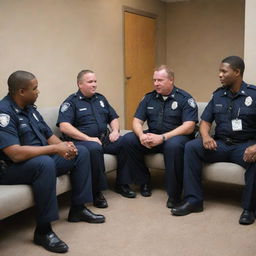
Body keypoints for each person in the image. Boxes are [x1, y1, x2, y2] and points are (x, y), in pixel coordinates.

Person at [0, 71, 105, 253]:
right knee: (44, 164)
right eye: (35, 88)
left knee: (82, 151)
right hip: (12, 168)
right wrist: (56, 149)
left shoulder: (30, 108)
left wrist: (65, 147)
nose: (38, 91)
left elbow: (49, 136)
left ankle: (78, 209)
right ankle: (43, 230)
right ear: (21, 91)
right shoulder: (4, 113)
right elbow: (14, 154)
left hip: (40, 159)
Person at [171, 56, 256, 225]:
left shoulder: (254, 95)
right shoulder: (218, 95)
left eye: (224, 71)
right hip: (221, 144)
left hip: (245, 145)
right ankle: (193, 201)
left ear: (237, 72)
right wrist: (206, 136)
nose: (220, 75)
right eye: (220, 71)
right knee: (191, 147)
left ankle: (249, 208)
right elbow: (205, 122)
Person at [121, 65, 198, 206]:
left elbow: (189, 126)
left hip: (175, 137)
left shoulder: (185, 98)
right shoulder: (148, 98)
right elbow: (137, 121)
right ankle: (143, 182)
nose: (156, 83)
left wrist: (163, 137)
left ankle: (174, 194)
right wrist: (141, 135)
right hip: (154, 136)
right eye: (154, 80)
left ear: (171, 80)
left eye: (160, 80)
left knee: (173, 146)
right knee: (128, 139)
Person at [57, 70, 135, 205]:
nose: (94, 85)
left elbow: (113, 117)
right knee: (94, 147)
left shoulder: (100, 99)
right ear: (79, 84)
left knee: (127, 140)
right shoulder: (71, 102)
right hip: (82, 142)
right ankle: (96, 192)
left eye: (95, 81)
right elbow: (64, 126)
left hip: (103, 138)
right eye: (90, 82)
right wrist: (88, 139)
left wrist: (115, 131)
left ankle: (122, 184)